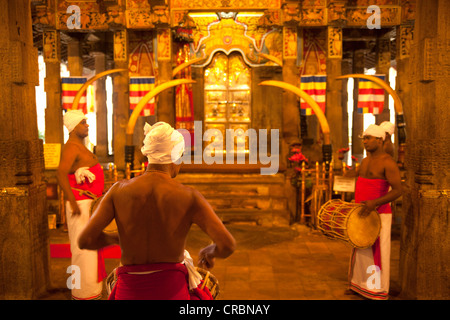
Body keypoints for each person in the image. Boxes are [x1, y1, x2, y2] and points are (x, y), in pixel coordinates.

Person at [78, 121, 236, 300]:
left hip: (129, 293)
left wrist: (118, 238)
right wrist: (209, 252)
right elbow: (227, 245)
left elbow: (86, 240)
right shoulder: (189, 196)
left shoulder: (118, 190)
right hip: (170, 292)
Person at [347, 124, 402, 300]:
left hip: (379, 213)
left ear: (379, 140)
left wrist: (375, 203)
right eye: (364, 138)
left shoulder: (388, 162)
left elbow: (398, 190)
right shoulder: (364, 160)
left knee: (377, 251)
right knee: (360, 247)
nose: (365, 141)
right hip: (362, 211)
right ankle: (359, 285)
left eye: (368, 138)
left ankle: (376, 290)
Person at [56, 110, 107, 300]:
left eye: (86, 122)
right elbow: (60, 174)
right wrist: (72, 202)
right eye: (83, 122)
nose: (87, 125)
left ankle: (91, 291)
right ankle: (82, 294)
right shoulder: (71, 147)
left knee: (90, 249)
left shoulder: (80, 146)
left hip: (88, 204)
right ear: (73, 127)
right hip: (80, 205)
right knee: (82, 251)